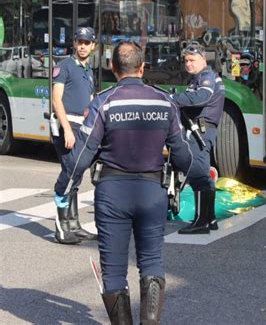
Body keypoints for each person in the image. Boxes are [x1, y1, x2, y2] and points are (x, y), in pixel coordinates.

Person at [64, 41, 193, 324]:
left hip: (112, 194)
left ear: (112, 68)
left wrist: (65, 188)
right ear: (143, 67)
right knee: (152, 263)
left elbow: (82, 156)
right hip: (151, 192)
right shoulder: (164, 101)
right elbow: (183, 154)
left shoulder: (104, 102)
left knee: (113, 270)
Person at [170, 43, 225, 234]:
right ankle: (209, 219)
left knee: (198, 174)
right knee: (203, 174)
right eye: (185, 60)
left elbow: (201, 98)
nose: (188, 64)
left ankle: (200, 222)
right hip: (201, 130)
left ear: (203, 59)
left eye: (192, 60)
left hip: (200, 131)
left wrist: (173, 99)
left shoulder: (206, 77)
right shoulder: (201, 77)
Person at [51, 27, 98, 244]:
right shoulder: (65, 66)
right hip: (66, 125)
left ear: (93, 46)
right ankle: (61, 228)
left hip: (82, 127)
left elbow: (89, 101)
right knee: (70, 171)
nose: (82, 46)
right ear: (74, 43)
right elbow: (56, 99)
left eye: (86, 43)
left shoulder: (88, 70)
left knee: (77, 173)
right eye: (79, 42)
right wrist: (67, 128)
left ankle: (74, 225)